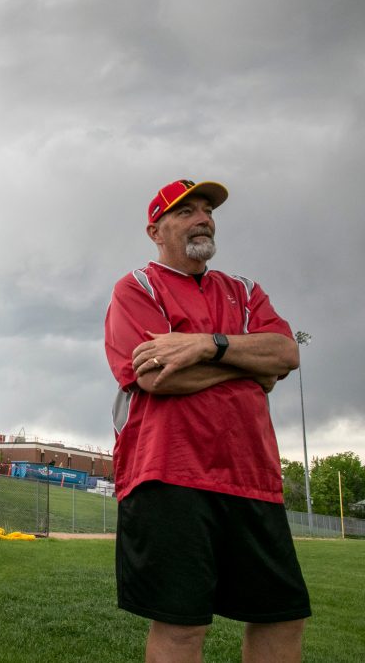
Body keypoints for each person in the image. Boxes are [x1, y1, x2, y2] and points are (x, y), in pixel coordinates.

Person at [104, 179, 311, 662]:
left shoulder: (244, 290)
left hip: (253, 476)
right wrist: (248, 367)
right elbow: (156, 379)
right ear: (155, 230)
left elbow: (286, 353)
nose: (202, 218)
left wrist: (204, 345)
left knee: (282, 615)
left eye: (207, 210)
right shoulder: (136, 287)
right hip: (169, 474)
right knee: (182, 625)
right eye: (185, 211)